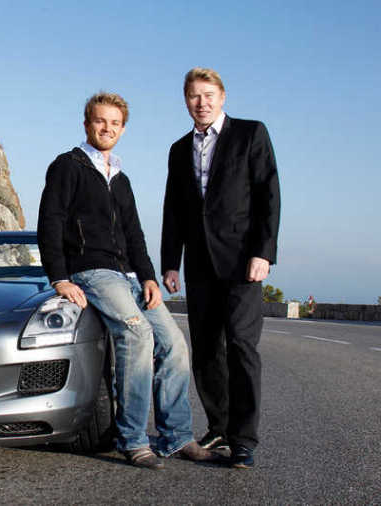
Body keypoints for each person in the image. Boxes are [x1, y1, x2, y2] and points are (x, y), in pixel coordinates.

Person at [38, 92, 213, 469]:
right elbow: (50, 222)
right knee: (137, 334)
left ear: (123, 129)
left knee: (174, 344)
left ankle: (176, 436)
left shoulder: (121, 178)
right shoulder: (67, 166)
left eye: (115, 123)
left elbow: (135, 235)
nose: (107, 128)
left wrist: (148, 277)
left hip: (130, 275)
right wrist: (60, 278)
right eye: (101, 121)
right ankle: (132, 438)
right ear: (87, 124)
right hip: (93, 271)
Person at [161, 68, 281, 469]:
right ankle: (219, 426)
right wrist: (170, 263)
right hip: (199, 265)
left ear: (222, 96)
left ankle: (244, 439)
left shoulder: (251, 133)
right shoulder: (179, 149)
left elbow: (268, 195)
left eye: (208, 95)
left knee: (242, 346)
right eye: (194, 96)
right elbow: (174, 210)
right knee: (207, 350)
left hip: (242, 264)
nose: (202, 103)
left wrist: (263, 252)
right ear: (186, 101)